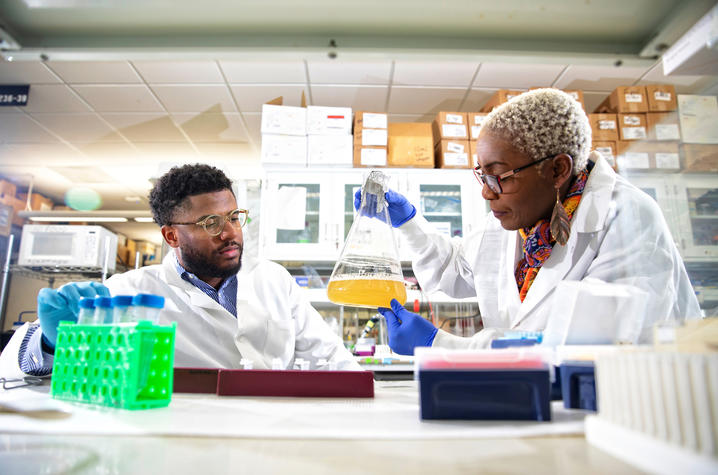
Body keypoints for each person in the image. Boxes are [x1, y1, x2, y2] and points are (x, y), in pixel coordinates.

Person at [357, 88, 701, 355]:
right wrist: (408, 223)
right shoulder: (518, 221)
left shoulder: (628, 217)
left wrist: (440, 345)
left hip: (635, 416)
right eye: (483, 176)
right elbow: (458, 269)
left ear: (557, 170)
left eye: (499, 176)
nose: (487, 193)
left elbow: (589, 350)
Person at [1, 164, 360, 378]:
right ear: (172, 235)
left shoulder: (273, 280)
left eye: (234, 217)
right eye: (210, 222)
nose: (231, 232)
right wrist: (49, 343)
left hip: (272, 434)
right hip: (181, 441)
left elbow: (331, 360)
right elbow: (13, 371)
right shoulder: (131, 289)